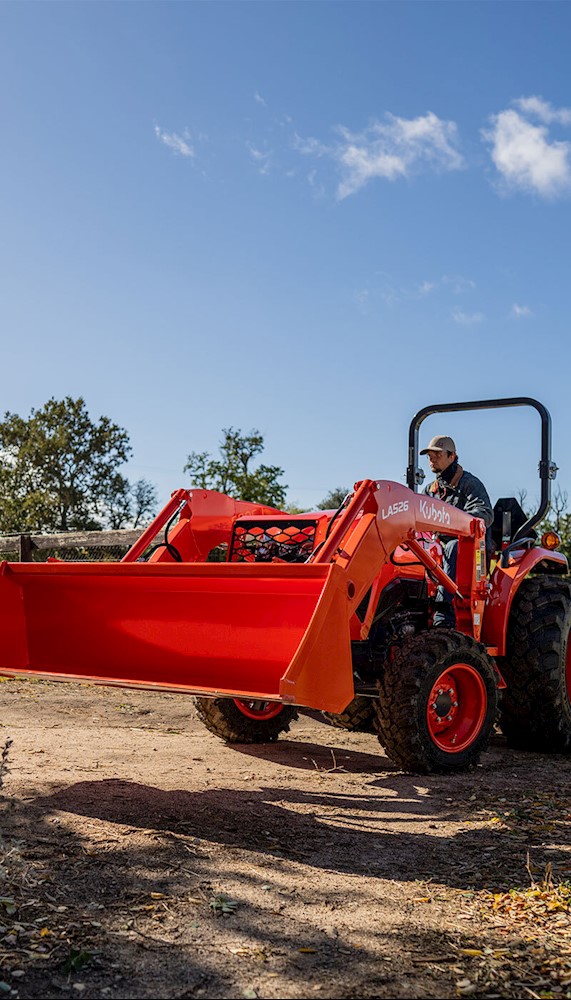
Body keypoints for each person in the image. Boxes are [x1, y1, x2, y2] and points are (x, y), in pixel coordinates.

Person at [420, 434, 493, 628]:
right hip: (436, 546)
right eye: (429, 455)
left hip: (469, 550)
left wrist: (452, 524)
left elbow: (484, 513)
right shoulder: (431, 490)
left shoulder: (469, 484)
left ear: (452, 456)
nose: (431, 459)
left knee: (452, 547)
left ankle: (443, 616)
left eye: (437, 454)